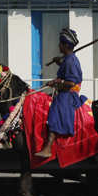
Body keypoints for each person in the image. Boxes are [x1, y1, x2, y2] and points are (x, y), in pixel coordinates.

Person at [34, 28, 85, 158]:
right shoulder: (68, 59)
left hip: (68, 95)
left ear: (65, 45)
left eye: (60, 43)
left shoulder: (70, 61)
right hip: (64, 91)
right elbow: (66, 69)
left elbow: (71, 83)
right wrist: (59, 62)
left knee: (55, 110)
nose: (58, 46)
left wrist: (55, 83)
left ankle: (48, 147)